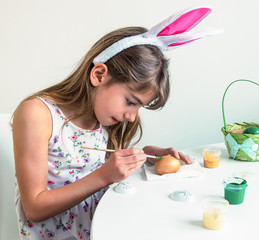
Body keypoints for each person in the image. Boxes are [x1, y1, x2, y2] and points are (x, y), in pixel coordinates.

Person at [12, 6, 220, 240]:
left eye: (139, 106)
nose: (132, 116)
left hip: (101, 228)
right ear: (99, 75)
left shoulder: (101, 116)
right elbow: (34, 208)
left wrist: (143, 158)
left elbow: (96, 167)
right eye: (131, 102)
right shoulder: (37, 114)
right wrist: (104, 175)